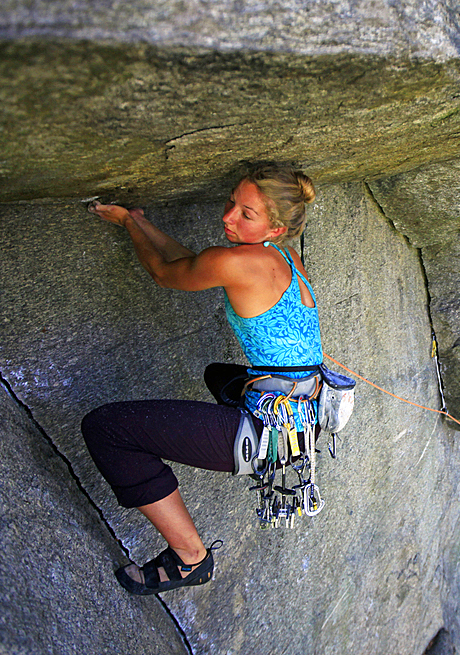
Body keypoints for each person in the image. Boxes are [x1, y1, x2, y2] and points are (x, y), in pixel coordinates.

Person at [80, 165, 320, 595]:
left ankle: (190, 560)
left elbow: (164, 272)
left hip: (272, 431)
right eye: (232, 202)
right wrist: (141, 222)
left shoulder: (235, 261)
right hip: (304, 416)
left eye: (246, 214)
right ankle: (226, 437)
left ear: (275, 225)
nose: (228, 216)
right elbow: (194, 263)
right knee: (218, 375)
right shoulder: (285, 256)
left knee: (106, 429)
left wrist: (129, 225)